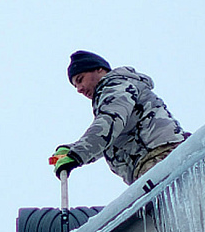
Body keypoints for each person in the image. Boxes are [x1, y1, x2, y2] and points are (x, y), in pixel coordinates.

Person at [51, 50, 187, 185]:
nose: (79, 89)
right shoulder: (115, 94)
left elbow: (110, 122)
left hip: (159, 157)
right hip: (155, 160)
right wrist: (71, 149)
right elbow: (108, 138)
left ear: (99, 70)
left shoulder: (115, 85)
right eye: (75, 86)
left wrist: (76, 155)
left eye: (80, 80)